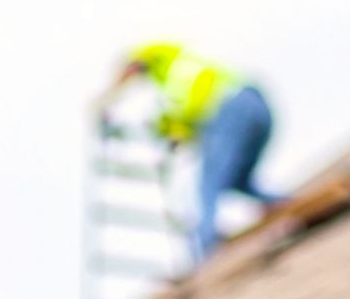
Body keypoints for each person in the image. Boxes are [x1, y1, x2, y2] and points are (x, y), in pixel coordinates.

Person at [104, 42, 283, 258]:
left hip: (232, 109)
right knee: (237, 180)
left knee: (208, 186)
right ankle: (280, 203)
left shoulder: (172, 73)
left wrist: (110, 98)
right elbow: (189, 115)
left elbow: (186, 110)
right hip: (257, 106)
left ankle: (206, 249)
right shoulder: (184, 68)